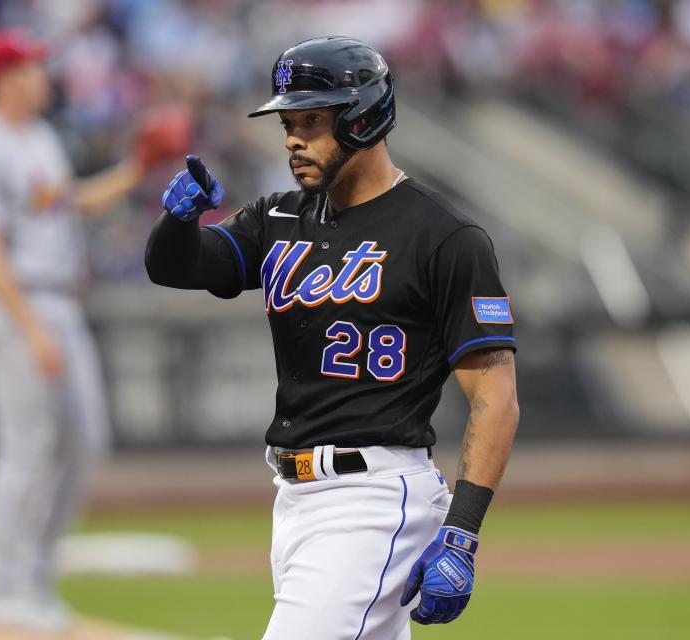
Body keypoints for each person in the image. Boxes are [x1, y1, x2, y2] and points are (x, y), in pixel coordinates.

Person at [145, 36, 520, 638]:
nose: (293, 137)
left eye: (313, 120)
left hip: (373, 497)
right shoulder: (278, 216)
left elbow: (495, 392)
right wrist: (178, 221)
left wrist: (463, 532)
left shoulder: (444, 237)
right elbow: (179, 266)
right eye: (288, 122)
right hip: (293, 500)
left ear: (365, 117)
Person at [0, 29, 187, 632]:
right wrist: (30, 329)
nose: (41, 75)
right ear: (1, 79)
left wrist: (136, 170)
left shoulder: (38, 137)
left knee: (83, 444)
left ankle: (32, 579)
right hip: (15, 303)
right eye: (28, 67)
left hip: (57, 303)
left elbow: (68, 202)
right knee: (25, 450)